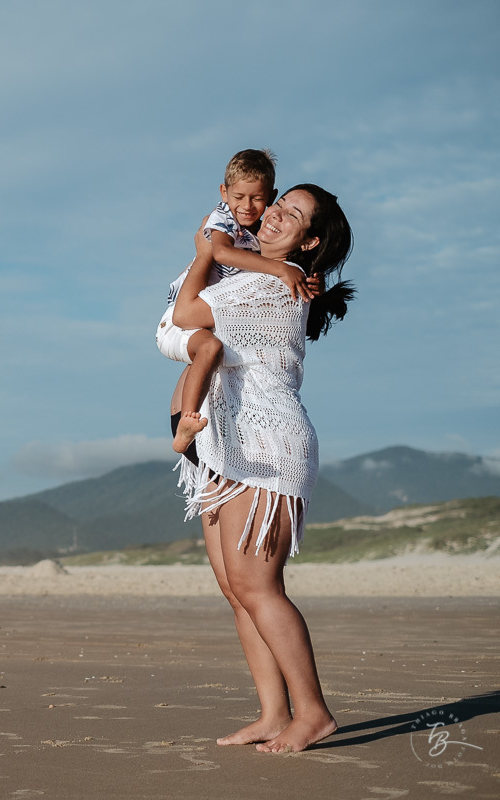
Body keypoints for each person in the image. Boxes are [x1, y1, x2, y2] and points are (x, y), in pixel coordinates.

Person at [170, 184, 354, 753]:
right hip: (227, 447)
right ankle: (275, 713)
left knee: (258, 586)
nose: (274, 214)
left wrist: (206, 247)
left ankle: (314, 713)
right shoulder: (261, 276)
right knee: (238, 590)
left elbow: (183, 314)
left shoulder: (272, 287)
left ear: (311, 241)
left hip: (266, 448)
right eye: (279, 204)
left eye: (292, 215)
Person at [156, 149, 317, 457]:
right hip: (176, 320)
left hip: (198, 319)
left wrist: (311, 281)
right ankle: (185, 428)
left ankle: (188, 423)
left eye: (257, 199)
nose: (247, 206)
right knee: (211, 349)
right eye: (239, 196)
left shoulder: (258, 227)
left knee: (212, 349)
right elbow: (220, 254)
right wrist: (280, 269)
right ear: (223, 192)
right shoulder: (223, 219)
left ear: (270, 196)